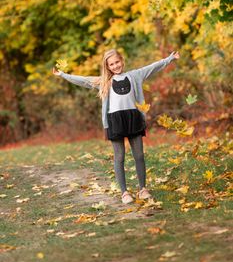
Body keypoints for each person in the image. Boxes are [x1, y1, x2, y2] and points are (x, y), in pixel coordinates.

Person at [53, 49, 179, 204]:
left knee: (139, 155)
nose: (115, 66)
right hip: (115, 121)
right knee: (119, 157)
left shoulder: (135, 76)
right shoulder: (104, 81)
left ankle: (143, 189)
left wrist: (170, 58)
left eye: (117, 62)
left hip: (134, 117)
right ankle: (124, 192)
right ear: (107, 67)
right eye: (111, 64)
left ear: (122, 61)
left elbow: (153, 67)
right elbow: (83, 80)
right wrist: (63, 75)